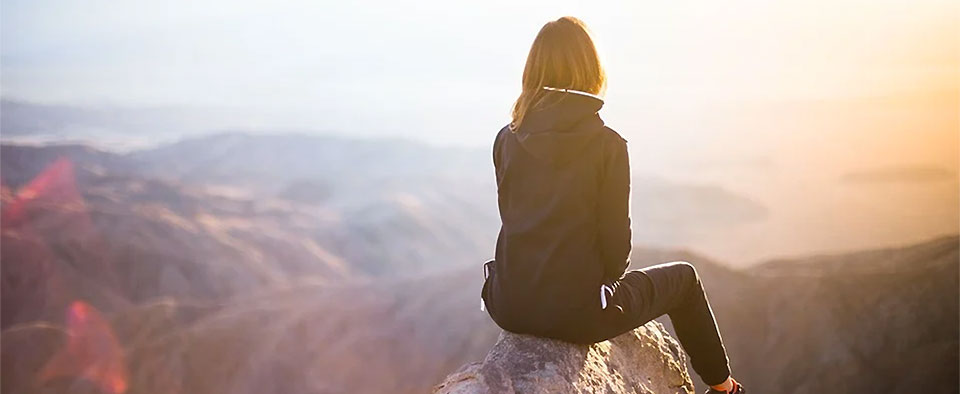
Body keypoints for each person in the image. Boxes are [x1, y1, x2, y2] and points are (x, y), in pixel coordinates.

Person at [480, 16, 744, 394]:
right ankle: (725, 388)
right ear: (591, 69)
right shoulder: (607, 145)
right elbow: (616, 248)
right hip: (578, 315)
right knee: (685, 279)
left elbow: (516, 218)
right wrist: (599, 288)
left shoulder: (506, 138)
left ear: (533, 70)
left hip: (507, 305)